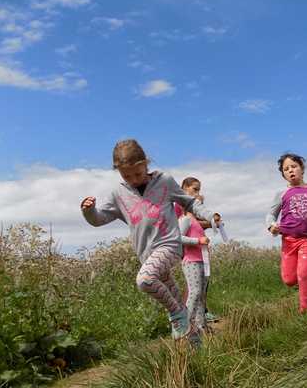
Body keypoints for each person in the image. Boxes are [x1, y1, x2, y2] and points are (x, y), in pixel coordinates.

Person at [80, 139, 221, 340]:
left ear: (146, 164)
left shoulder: (164, 182)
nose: (133, 179)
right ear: (118, 172)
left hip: (169, 245)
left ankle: (176, 315)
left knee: (145, 280)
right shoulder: (118, 194)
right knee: (176, 299)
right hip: (147, 254)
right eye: (126, 176)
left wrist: (210, 216)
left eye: (138, 174)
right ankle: (194, 344)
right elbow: (99, 219)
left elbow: (189, 203)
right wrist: (89, 211)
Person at [266, 153, 307, 313]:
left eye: (294, 166)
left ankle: (305, 309)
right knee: (289, 280)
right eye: (286, 169)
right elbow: (271, 214)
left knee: (303, 274)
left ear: (302, 168)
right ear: (283, 175)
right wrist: (272, 226)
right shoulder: (282, 193)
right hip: (288, 240)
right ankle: (305, 287)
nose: (291, 170)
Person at [175, 177, 212, 342]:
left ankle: (201, 327)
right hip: (191, 261)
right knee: (194, 292)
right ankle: (185, 328)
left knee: (201, 294)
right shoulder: (185, 219)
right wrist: (198, 241)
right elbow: (178, 238)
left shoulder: (195, 220)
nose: (199, 195)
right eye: (195, 190)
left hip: (202, 260)